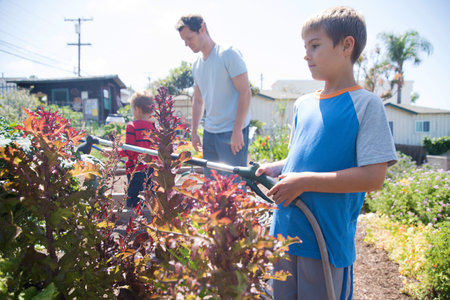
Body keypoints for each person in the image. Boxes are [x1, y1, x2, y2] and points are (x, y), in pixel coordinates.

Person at [255, 6, 398, 300]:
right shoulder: (303, 104)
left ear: (346, 45)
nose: (306, 55)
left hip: (324, 243)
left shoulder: (366, 105)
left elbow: (373, 177)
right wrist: (276, 167)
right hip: (285, 232)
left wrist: (304, 181)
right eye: (305, 47)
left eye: (315, 45)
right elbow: (300, 158)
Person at [176, 14, 252, 178]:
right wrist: (194, 131)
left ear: (202, 28)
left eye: (189, 38)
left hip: (232, 132)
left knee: (233, 186)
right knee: (211, 186)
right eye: (184, 41)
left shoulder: (228, 55)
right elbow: (197, 100)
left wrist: (238, 129)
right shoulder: (196, 65)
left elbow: (245, 91)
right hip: (210, 133)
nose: (186, 44)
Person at [116, 91, 155, 208]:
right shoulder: (155, 127)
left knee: (133, 199)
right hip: (152, 170)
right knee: (150, 199)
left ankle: (133, 221)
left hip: (136, 170)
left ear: (137, 109)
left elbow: (130, 150)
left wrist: (115, 153)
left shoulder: (132, 126)